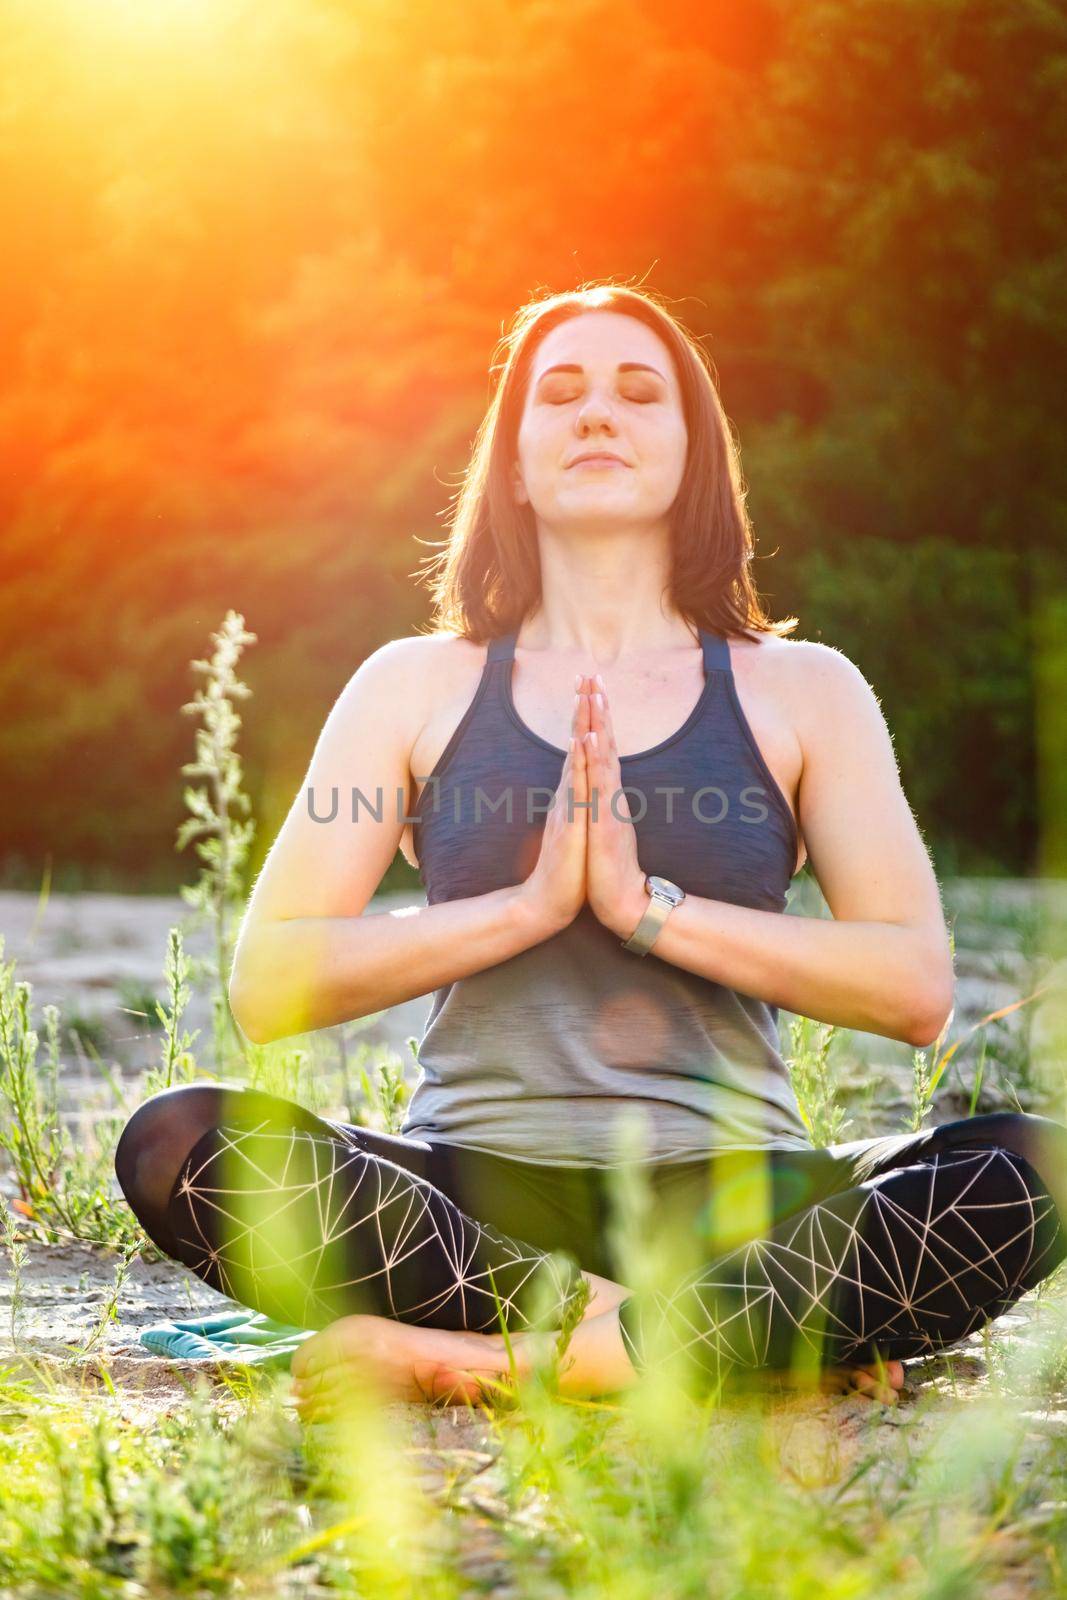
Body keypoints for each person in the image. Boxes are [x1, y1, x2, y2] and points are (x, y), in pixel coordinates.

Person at [115, 283, 1067, 1416]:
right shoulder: (413, 685)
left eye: (636, 392)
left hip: (735, 1204)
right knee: (179, 1143)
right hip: (473, 1207)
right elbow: (269, 984)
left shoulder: (803, 691)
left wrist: (644, 909)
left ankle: (507, 1361)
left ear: (690, 452)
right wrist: (522, 909)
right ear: (513, 462)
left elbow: (911, 987)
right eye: (558, 393)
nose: (596, 414)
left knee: (1036, 1165)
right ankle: (716, 1345)